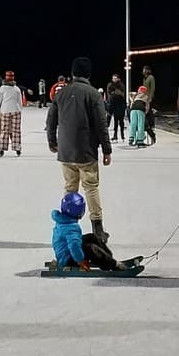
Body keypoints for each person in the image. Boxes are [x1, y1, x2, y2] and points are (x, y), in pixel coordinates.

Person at [45, 57, 112, 238]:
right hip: (86, 151)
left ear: (73, 73)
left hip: (65, 151)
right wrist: (107, 149)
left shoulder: (61, 93)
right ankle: (98, 229)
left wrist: (52, 141)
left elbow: (51, 121)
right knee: (91, 187)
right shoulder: (93, 94)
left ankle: (66, 229)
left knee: (70, 189)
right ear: (89, 74)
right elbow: (101, 124)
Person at [51, 191, 91, 271]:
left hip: (64, 254)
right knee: (91, 248)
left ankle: (108, 259)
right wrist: (80, 261)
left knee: (92, 237)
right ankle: (112, 264)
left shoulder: (63, 220)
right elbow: (74, 246)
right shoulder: (71, 227)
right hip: (68, 259)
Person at [0, 71, 24, 156]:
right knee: (16, 130)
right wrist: (20, 109)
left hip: (5, 111)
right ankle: (17, 148)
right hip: (16, 111)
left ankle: (2, 148)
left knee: (4, 130)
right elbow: (20, 102)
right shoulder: (16, 88)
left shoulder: (2, 88)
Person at [105, 74, 126, 141]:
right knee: (112, 119)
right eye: (113, 78)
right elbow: (109, 93)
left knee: (120, 120)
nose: (114, 79)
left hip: (120, 104)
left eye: (115, 78)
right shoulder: (110, 84)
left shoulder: (121, 84)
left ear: (118, 78)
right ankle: (114, 135)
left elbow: (122, 93)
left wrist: (115, 92)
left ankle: (122, 135)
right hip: (112, 104)